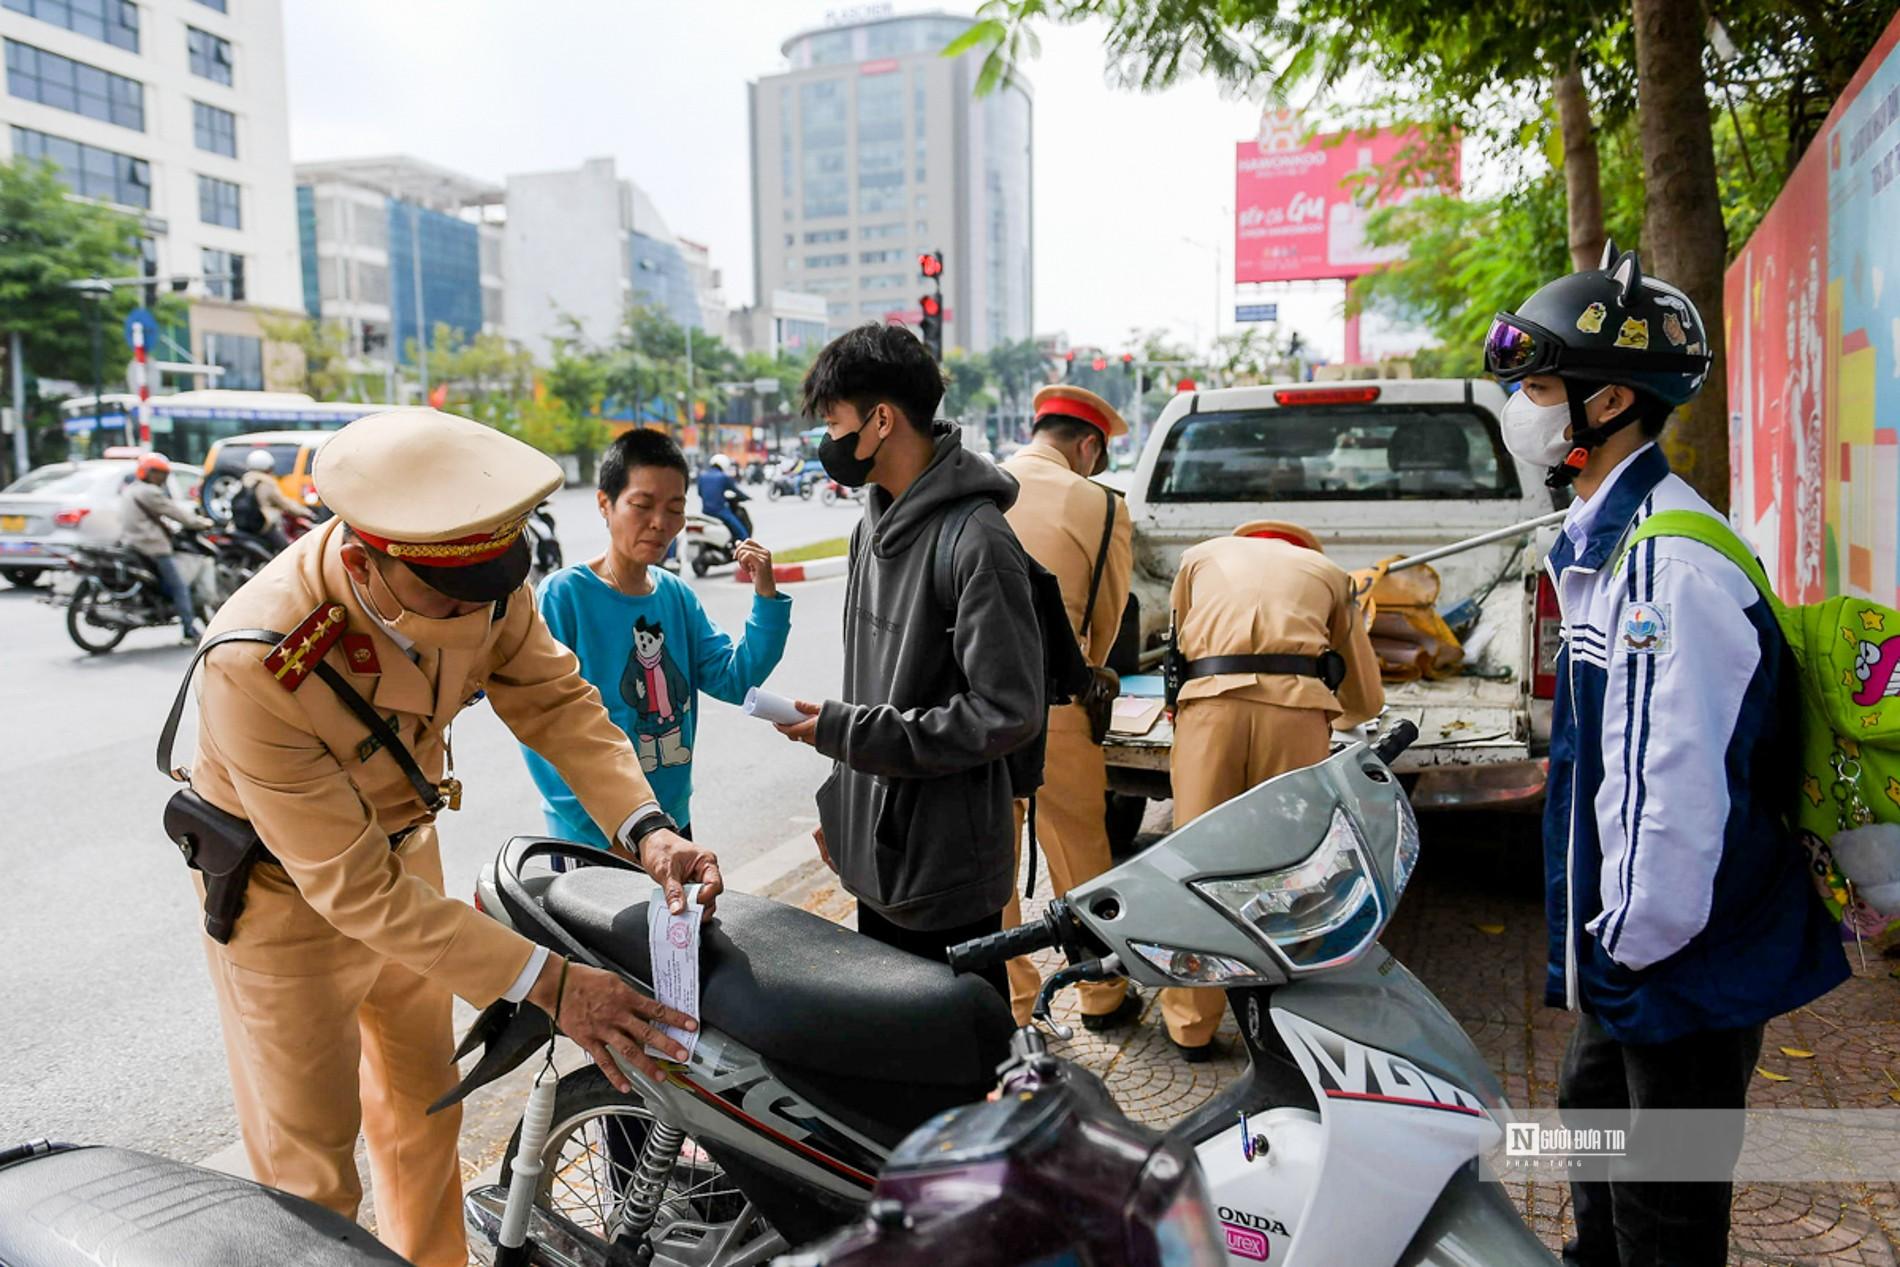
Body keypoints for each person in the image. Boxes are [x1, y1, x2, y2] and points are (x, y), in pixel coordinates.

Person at [182, 408, 722, 1267]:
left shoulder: (473, 571)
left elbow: (556, 701)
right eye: (452, 595)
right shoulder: (258, 658)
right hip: (284, 906)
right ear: (363, 561)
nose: (480, 608)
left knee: (424, 1115)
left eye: (492, 585)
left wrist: (645, 825)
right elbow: (351, 889)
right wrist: (552, 982)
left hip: (408, 864)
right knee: (311, 1177)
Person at [1485, 244, 1848, 1267]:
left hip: (1679, 960)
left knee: (1666, 1213)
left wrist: (1626, 943)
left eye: (1539, 386)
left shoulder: (1664, 567)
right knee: (1593, 1134)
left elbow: (1671, 792)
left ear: (1607, 406)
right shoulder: (1614, 539)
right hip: (1637, 958)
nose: (1520, 406)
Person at [773, 324, 1045, 999]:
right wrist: (847, 807)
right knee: (894, 1066)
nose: (828, 442)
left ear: (882, 420)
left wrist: (849, 733)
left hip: (945, 871)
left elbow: (1007, 713)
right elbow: (868, 683)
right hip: (879, 859)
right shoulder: (870, 525)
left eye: (835, 421)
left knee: (953, 1070)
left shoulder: (978, 542)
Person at [1160, 520, 1383, 1060]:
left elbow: (1177, 647)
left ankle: (1192, 1024)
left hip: (1210, 709)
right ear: (1303, 550)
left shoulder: (1201, 555)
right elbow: (1365, 694)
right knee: (1292, 869)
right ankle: (1286, 1018)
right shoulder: (1330, 574)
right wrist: (1349, 714)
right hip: (1296, 714)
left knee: (1196, 863)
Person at [525, 428, 791, 845]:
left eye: (674, 508)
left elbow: (735, 680)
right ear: (604, 504)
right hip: (593, 837)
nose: (660, 524)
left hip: (670, 823)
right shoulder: (564, 596)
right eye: (642, 505)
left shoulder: (676, 596)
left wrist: (766, 598)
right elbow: (542, 727)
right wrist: (616, 829)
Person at [997, 384, 1139, 1030]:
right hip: (1056, 698)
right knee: (1080, 851)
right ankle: (1101, 996)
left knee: (992, 856)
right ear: (1088, 445)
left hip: (975, 701)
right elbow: (1102, 627)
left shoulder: (982, 482)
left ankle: (1015, 1008)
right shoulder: (1100, 504)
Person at [120, 452, 213, 643]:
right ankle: (189, 631)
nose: (162, 478)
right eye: (159, 473)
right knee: (180, 586)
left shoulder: (131, 490)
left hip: (132, 543)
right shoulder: (149, 492)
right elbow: (176, 513)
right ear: (147, 473)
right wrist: (201, 523)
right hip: (151, 545)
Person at [234, 448, 314, 550]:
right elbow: (285, 504)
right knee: (286, 550)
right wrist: (305, 512)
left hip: (240, 525)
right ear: (268, 466)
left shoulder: (243, 480)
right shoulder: (266, 483)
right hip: (263, 525)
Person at [697, 453, 750, 543]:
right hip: (720, 512)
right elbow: (736, 491)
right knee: (743, 534)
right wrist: (747, 497)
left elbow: (700, 493)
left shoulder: (702, 476)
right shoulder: (723, 477)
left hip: (705, 512)